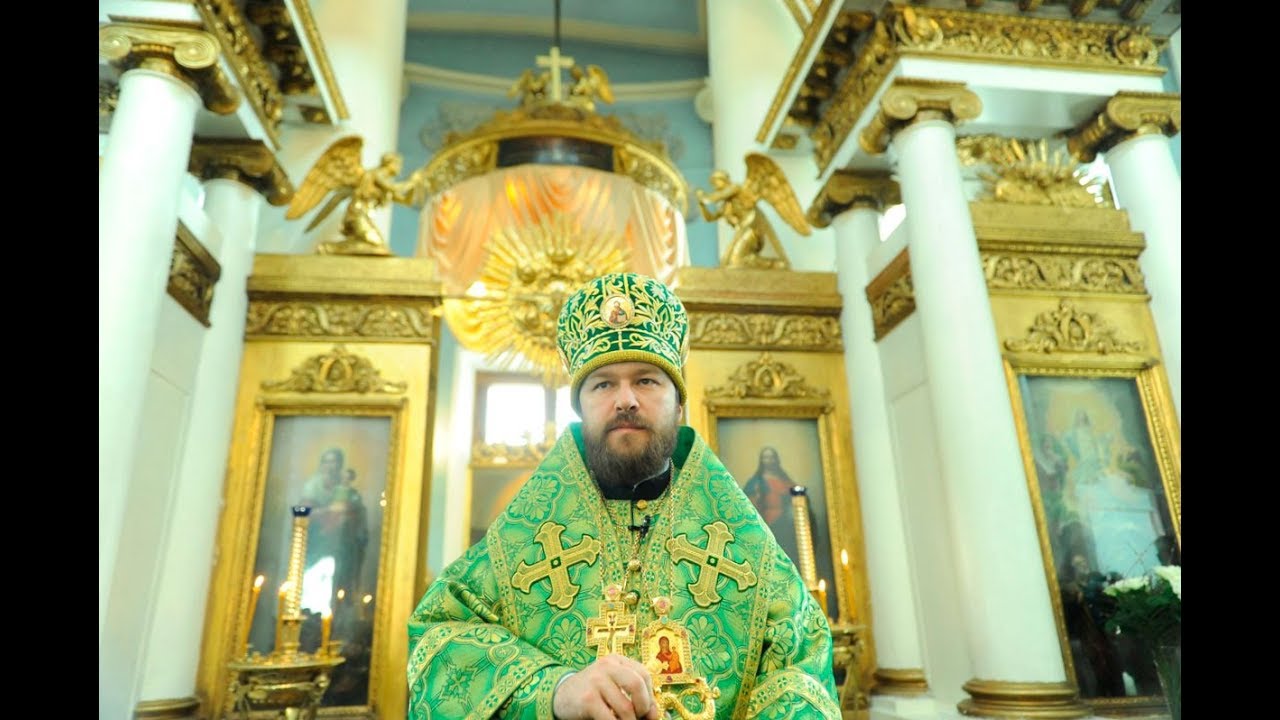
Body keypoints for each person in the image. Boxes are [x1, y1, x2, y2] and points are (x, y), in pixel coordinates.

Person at [408, 272, 838, 719]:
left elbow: (801, 671)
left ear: (679, 403)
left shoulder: (746, 546)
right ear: (581, 406)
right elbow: (436, 640)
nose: (626, 399)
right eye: (603, 384)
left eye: (647, 381)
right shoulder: (519, 540)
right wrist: (554, 690)